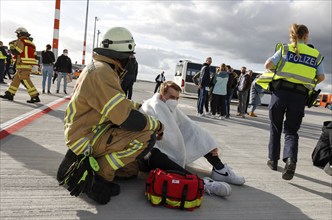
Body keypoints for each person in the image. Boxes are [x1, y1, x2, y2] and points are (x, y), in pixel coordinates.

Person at [56, 27, 164, 205]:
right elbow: (128, 119)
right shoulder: (102, 73)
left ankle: (83, 161)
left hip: (85, 130)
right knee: (147, 136)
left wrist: (138, 106)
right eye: (130, 56)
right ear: (120, 54)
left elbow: (115, 102)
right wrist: (157, 125)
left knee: (131, 171)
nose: (131, 60)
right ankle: (101, 174)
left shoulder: (101, 67)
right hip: (87, 136)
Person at [141, 81, 245, 188]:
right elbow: (161, 135)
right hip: (152, 151)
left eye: (177, 98)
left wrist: (209, 144)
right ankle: (200, 183)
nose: (175, 101)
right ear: (162, 95)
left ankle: (220, 170)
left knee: (196, 132)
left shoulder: (168, 105)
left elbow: (187, 124)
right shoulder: (153, 106)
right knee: (159, 157)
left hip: (168, 145)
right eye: (172, 97)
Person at [263, 23, 325, 180]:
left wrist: (275, 71)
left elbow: (268, 65)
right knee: (291, 131)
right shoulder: (315, 54)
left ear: (292, 35)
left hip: (280, 93)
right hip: (299, 97)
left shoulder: (285, 49)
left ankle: (273, 160)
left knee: (275, 128)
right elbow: (321, 77)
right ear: (306, 36)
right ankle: (290, 160)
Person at [0, 27, 40, 103]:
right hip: (27, 64)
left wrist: (11, 46)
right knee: (16, 79)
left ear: (20, 34)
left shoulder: (21, 41)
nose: (17, 35)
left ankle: (34, 96)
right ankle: (10, 93)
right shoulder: (31, 43)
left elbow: (17, 51)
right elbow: (34, 55)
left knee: (25, 80)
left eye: (17, 34)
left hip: (23, 64)